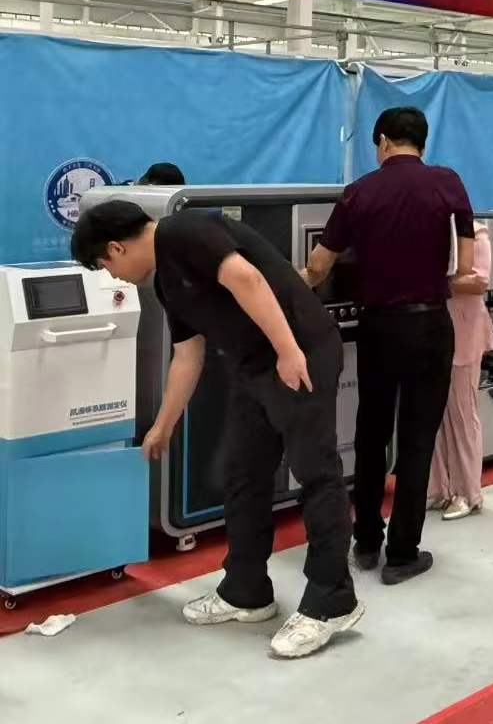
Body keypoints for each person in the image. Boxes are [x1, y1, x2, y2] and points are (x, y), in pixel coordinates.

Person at [70, 200, 362, 659]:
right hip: (253, 368)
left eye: (105, 266)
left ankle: (332, 601)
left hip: (300, 352)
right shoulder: (166, 282)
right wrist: (163, 426)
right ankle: (246, 590)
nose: (114, 277)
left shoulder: (185, 230)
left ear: (115, 248)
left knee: (315, 474)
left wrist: (288, 351)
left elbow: (248, 279)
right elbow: (188, 356)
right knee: (243, 474)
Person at [304, 106, 475, 586]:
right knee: (418, 440)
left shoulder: (359, 191)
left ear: (382, 141)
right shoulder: (448, 183)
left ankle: (365, 541)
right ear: (422, 142)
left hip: (378, 326)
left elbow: (318, 265)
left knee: (371, 434)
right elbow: (465, 265)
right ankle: (402, 554)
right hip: (430, 324)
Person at [427, 221, 493, 520]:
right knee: (432, 414)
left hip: (464, 333)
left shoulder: (476, 232)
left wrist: (430, 280)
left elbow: (480, 282)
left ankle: (468, 493)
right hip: (431, 331)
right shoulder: (428, 228)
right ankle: (437, 489)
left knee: (462, 413)